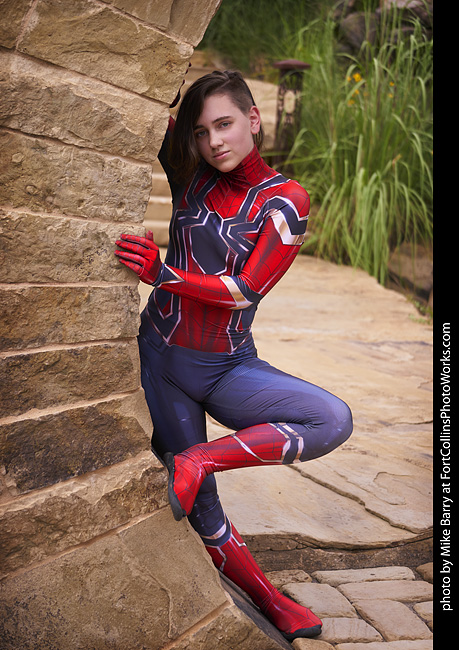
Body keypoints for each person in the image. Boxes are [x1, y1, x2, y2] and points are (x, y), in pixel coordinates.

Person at [115, 70, 353, 641]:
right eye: (201, 132)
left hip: (228, 365)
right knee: (203, 509)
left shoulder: (286, 201)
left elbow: (246, 290)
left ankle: (198, 459)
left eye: (224, 124)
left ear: (254, 119)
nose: (214, 141)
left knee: (331, 419)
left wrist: (163, 273)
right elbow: (142, 101)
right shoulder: (191, 173)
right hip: (164, 363)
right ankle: (270, 600)